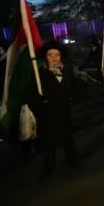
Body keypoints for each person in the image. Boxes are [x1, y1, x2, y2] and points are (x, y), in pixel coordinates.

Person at [29, 40, 77, 175]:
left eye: (56, 54)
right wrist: (39, 102)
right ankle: (48, 166)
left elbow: (74, 87)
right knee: (48, 141)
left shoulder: (68, 70)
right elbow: (31, 95)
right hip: (47, 111)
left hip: (64, 109)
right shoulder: (39, 74)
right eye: (50, 55)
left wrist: (71, 97)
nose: (54, 58)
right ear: (46, 57)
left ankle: (72, 160)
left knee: (68, 138)